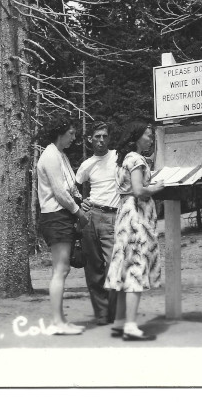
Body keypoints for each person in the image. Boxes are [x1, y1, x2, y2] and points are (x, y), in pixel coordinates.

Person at [104, 122, 165, 341]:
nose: (150, 139)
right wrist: (156, 188)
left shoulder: (122, 159)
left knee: (124, 268)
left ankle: (120, 322)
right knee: (136, 269)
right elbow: (139, 190)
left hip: (124, 215)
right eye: (147, 136)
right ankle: (130, 326)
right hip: (137, 217)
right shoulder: (137, 160)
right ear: (137, 137)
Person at [35, 117, 90, 335]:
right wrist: (78, 213)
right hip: (55, 216)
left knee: (63, 269)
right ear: (60, 133)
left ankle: (60, 320)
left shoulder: (61, 155)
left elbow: (69, 188)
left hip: (63, 214)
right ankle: (57, 322)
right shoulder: (49, 156)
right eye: (71, 134)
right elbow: (58, 192)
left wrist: (80, 202)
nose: (74, 138)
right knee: (60, 269)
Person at [75, 122, 119, 326]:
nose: (101, 140)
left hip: (112, 217)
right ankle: (102, 315)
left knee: (114, 267)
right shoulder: (86, 165)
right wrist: (79, 202)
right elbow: (73, 186)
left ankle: (114, 312)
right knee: (93, 268)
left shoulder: (118, 157)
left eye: (104, 136)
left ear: (109, 138)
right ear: (90, 140)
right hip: (91, 216)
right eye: (97, 137)